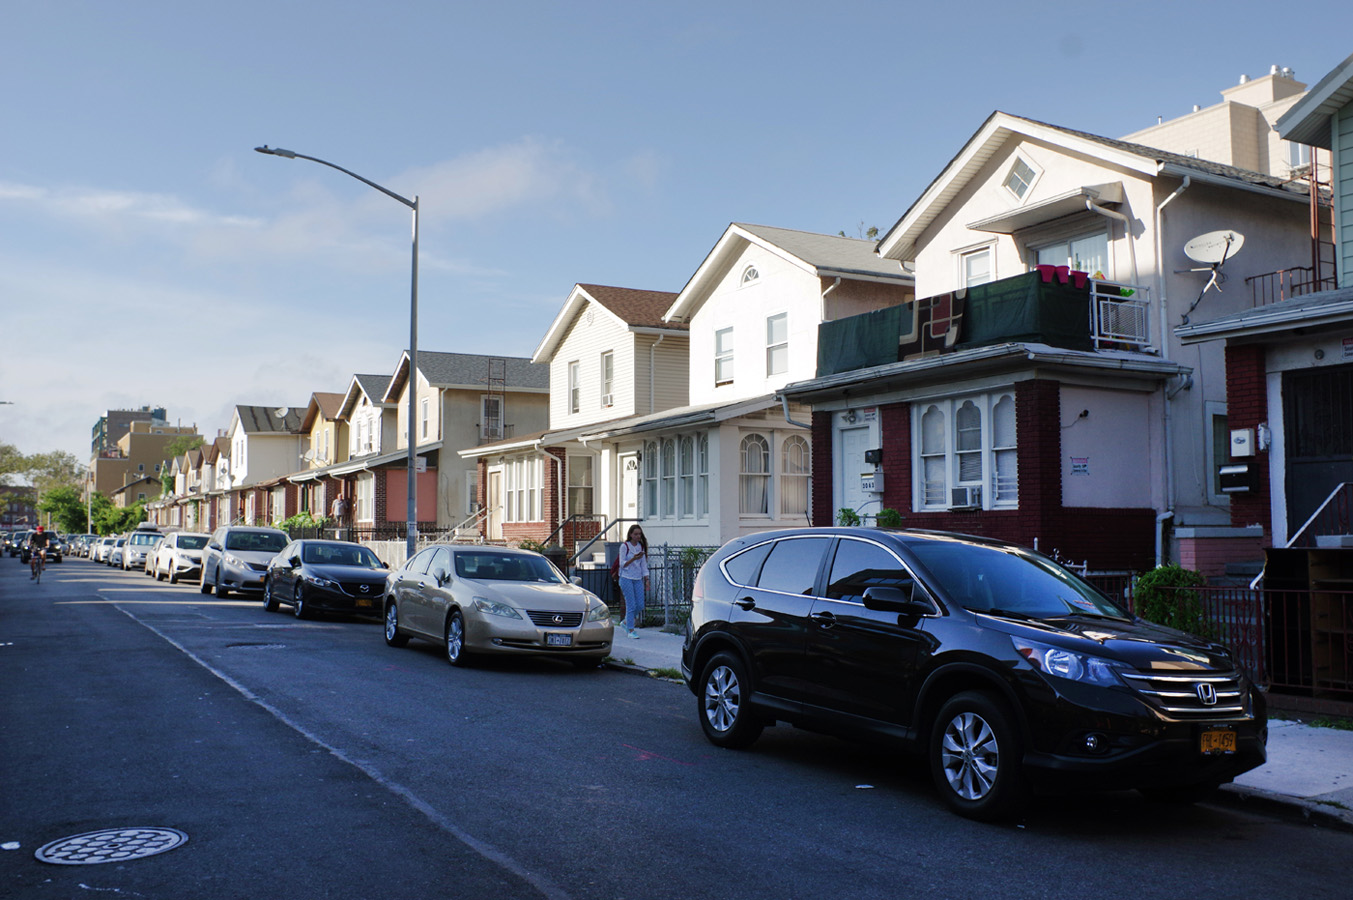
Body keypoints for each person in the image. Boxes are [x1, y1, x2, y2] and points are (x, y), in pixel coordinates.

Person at [617, 524, 649, 639]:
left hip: (637, 578)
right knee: (631, 604)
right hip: (626, 577)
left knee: (640, 605)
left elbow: (643, 565)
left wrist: (647, 579)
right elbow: (622, 564)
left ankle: (626, 621)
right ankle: (631, 629)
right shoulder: (625, 546)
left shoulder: (641, 547)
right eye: (635, 534)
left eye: (639, 534)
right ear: (630, 534)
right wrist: (634, 558)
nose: (638, 536)